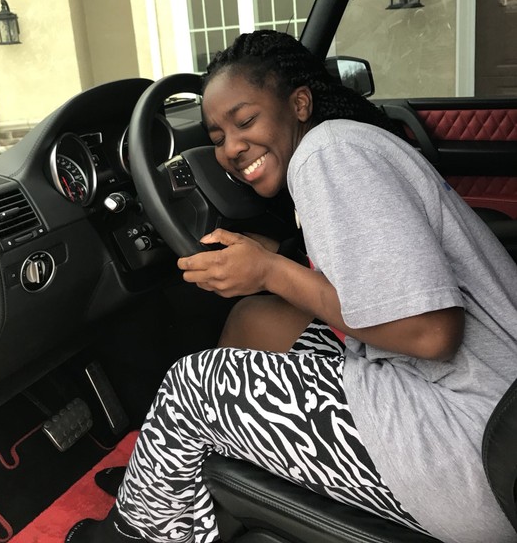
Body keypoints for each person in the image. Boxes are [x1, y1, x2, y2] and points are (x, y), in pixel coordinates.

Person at [66, 30, 517, 543]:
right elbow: (378, 274)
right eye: (216, 138)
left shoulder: (328, 153)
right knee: (256, 319)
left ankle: (133, 533)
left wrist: (269, 272)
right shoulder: (349, 144)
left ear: (299, 104)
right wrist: (277, 258)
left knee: (194, 386)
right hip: (491, 411)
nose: (232, 148)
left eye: (245, 122)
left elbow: (431, 333)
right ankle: (175, 482)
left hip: (474, 450)